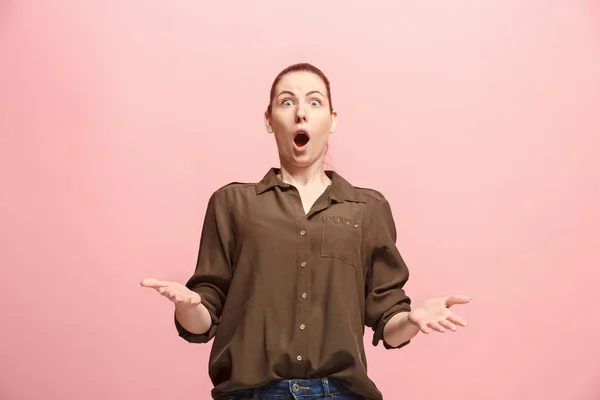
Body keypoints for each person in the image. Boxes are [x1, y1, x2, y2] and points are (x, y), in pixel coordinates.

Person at [140, 62, 471, 400]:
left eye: (314, 102)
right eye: (287, 102)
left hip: (342, 393)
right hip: (252, 393)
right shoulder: (232, 204)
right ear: (269, 120)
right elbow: (204, 319)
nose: (301, 112)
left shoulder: (367, 209)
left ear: (333, 119)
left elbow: (388, 322)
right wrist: (188, 306)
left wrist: (413, 320)